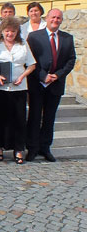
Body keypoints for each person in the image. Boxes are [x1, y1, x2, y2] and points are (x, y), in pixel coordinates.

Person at [26, 9, 76, 162]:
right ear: (46, 18)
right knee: (34, 117)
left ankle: (45, 148)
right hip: (38, 83)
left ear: (61, 20)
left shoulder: (67, 38)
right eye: (53, 17)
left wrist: (58, 75)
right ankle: (32, 148)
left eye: (58, 18)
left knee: (49, 118)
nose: (55, 20)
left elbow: (71, 60)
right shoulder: (34, 37)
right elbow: (30, 59)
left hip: (56, 84)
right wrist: (43, 75)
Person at [0, 17, 36, 164]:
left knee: (19, 120)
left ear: (17, 32)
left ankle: (18, 149)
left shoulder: (23, 44)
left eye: (13, 31)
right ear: (2, 31)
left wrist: (22, 76)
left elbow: (32, 65)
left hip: (18, 87)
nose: (10, 34)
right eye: (7, 31)